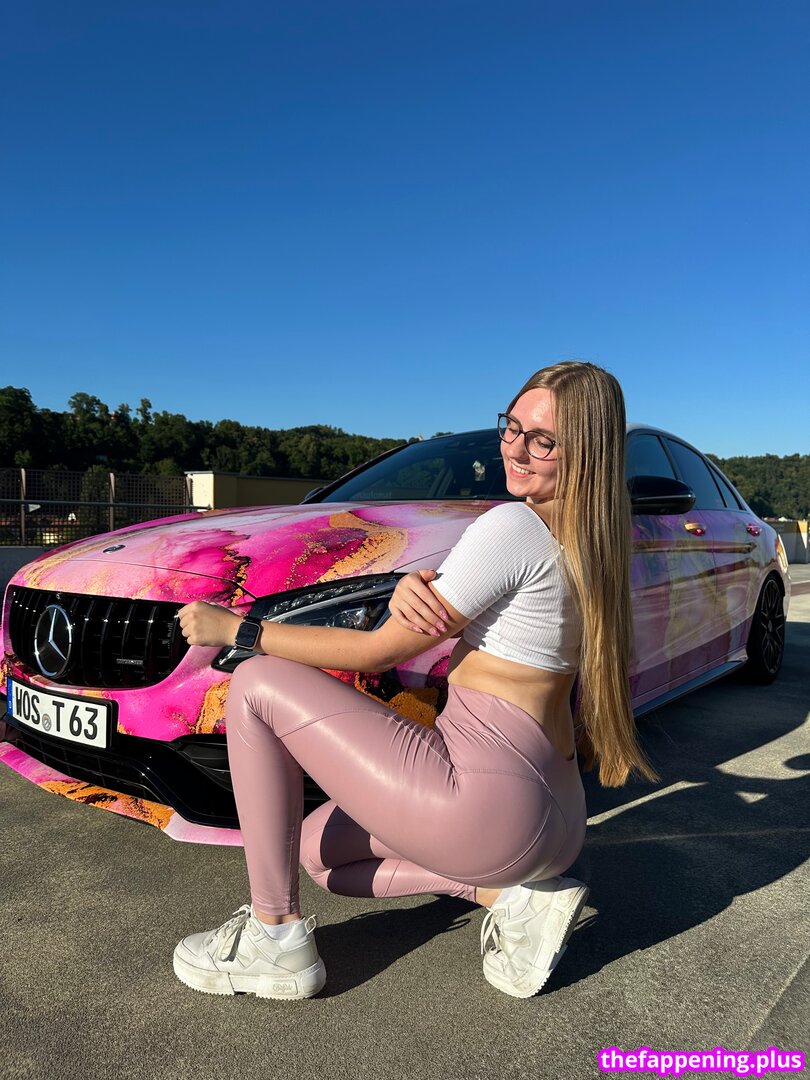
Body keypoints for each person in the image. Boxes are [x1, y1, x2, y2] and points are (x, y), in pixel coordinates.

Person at [173, 360, 657, 1002]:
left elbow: (378, 652)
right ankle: (509, 896)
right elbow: (465, 605)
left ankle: (273, 938)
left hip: (485, 803)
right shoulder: (598, 541)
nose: (515, 449)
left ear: (587, 454)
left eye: (543, 441)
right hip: (558, 818)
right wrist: (409, 587)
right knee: (317, 855)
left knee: (257, 683)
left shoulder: (513, 527)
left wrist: (238, 630)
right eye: (512, 427)